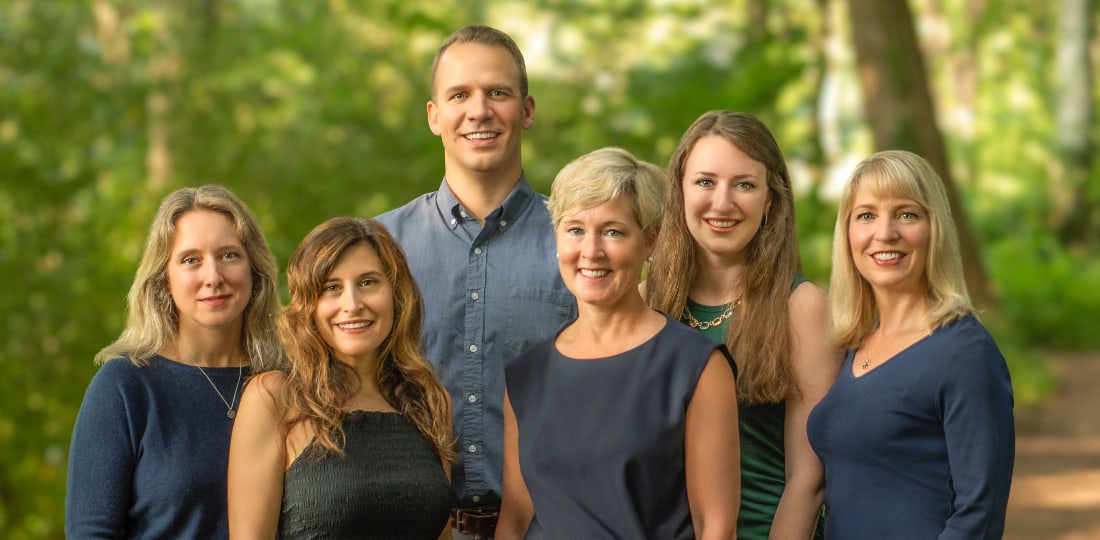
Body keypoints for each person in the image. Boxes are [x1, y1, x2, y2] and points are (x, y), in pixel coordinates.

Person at [377, 24, 575, 538]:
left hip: (548, 527)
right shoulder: (378, 248)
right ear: (434, 115)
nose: (479, 110)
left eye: (498, 93)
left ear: (527, 110)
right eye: (460, 94)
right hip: (409, 527)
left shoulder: (578, 246)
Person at [496, 147, 741, 539]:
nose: (591, 251)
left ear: (650, 241)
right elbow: (514, 521)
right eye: (575, 229)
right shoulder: (526, 375)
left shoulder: (695, 366)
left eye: (613, 231)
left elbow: (717, 526)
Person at [645, 110, 839, 538]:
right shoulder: (646, 302)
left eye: (745, 185)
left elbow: (807, 481)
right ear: (678, 189)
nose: (722, 202)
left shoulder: (803, 308)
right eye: (705, 182)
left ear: (771, 200)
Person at [807, 150, 1015, 539]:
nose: (885, 233)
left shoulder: (964, 353)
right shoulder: (856, 344)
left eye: (906, 214)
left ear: (934, 228)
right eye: (866, 215)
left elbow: (978, 517)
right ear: (848, 233)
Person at [65, 184, 283, 539]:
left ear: (254, 269)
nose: (213, 277)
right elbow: (91, 532)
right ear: (164, 280)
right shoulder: (125, 386)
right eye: (190, 260)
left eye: (229, 255)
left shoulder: (291, 381)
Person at [227, 217, 455, 538]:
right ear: (309, 306)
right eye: (331, 288)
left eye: (368, 282)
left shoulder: (430, 400)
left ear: (396, 293)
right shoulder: (275, 398)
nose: (352, 304)